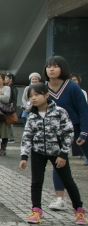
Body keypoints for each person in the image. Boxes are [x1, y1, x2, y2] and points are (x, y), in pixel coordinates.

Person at [20, 83, 85, 225]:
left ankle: (79, 210)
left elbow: (69, 133)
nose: (33, 98)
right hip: (37, 152)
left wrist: (63, 153)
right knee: (36, 182)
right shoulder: (32, 115)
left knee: (68, 181)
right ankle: (36, 210)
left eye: (37, 95)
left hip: (57, 152)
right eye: (31, 96)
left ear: (46, 95)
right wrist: (24, 156)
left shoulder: (60, 112)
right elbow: (27, 136)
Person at [44, 56, 88, 211]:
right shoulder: (43, 88)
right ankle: (59, 199)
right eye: (49, 66)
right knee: (59, 164)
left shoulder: (72, 87)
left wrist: (84, 132)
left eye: (55, 66)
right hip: (55, 131)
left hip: (76, 128)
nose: (51, 69)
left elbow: (83, 109)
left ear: (62, 68)